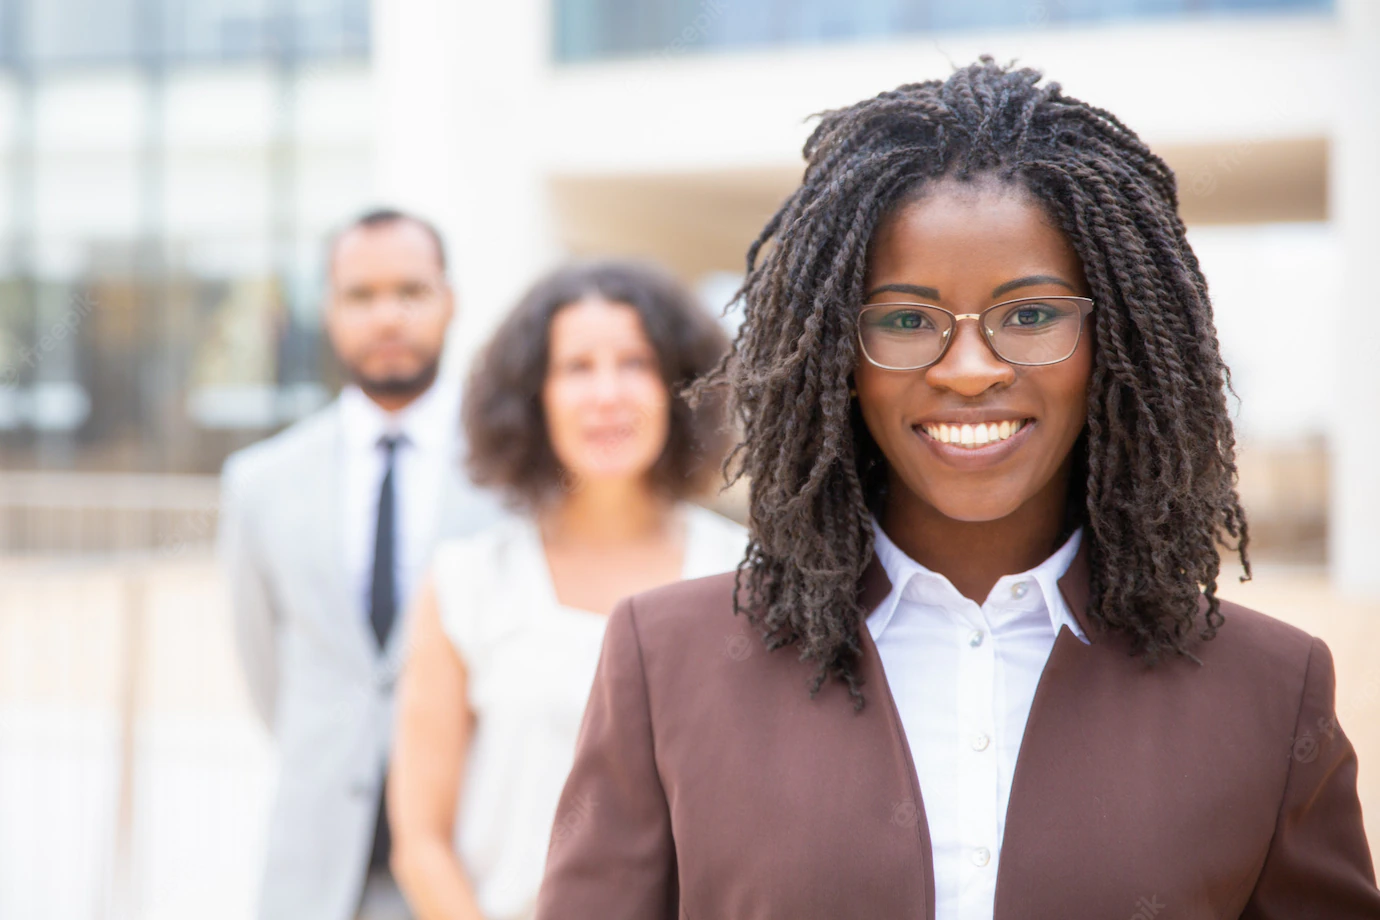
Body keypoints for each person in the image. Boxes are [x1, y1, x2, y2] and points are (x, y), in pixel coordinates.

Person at [534, 59, 1380, 918]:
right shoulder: (667, 660)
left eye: (1030, 316)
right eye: (906, 321)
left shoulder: (1272, 693)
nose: (969, 370)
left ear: (1112, 343)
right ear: (838, 358)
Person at [387, 261, 748, 920]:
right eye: (576, 367)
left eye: (635, 363)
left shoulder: (742, 578)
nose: (606, 393)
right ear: (534, 396)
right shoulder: (469, 583)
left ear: (678, 386)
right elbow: (421, 844)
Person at [218, 209, 501, 920]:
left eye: (411, 291)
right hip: (313, 870)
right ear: (328, 309)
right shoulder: (259, 482)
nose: (388, 316)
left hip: (470, 867)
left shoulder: (512, 479)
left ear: (451, 301)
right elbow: (266, 669)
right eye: (361, 295)